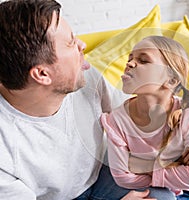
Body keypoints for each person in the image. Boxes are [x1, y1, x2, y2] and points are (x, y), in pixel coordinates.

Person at [0, 0, 177, 199]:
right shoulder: (4, 148)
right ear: (42, 74)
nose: (82, 45)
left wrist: (176, 123)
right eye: (71, 43)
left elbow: (132, 116)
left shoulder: (83, 76)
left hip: (102, 172)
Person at [100, 36, 189, 200]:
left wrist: (143, 167)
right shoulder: (115, 121)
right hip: (172, 192)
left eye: (143, 61)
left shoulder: (187, 110)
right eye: (130, 58)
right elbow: (123, 178)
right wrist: (176, 168)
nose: (130, 63)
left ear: (171, 80)